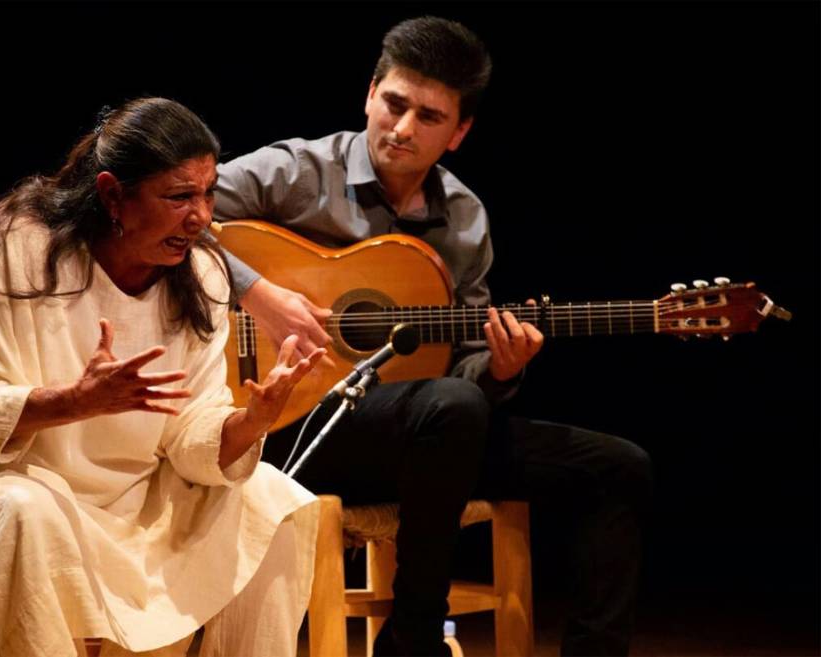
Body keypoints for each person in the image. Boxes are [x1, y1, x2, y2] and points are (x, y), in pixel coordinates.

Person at [213, 16, 653, 657]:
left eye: (429, 117)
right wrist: (261, 292)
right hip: (288, 425)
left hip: (425, 438)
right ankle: (414, 637)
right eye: (394, 104)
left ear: (459, 133)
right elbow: (170, 213)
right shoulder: (297, 172)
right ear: (370, 92)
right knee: (451, 407)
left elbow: (465, 371)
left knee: (618, 466)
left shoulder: (466, 218)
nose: (402, 129)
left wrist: (501, 370)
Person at [0, 97, 325, 657]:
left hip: (124, 494)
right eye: (179, 197)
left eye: (207, 193)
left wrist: (250, 423)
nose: (201, 217)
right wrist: (75, 401)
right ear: (112, 196)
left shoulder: (201, 276)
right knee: (28, 514)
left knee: (274, 502)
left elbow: (187, 434)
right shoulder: (14, 252)